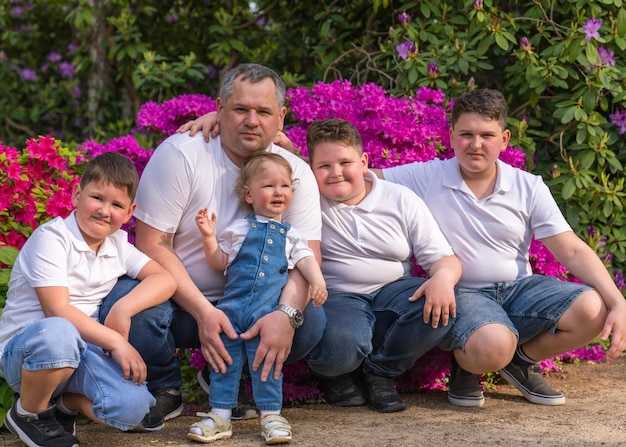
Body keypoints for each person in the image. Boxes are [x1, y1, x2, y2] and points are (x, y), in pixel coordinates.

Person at [102, 63, 326, 431]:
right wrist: (205, 312)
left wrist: (285, 314)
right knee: (131, 306)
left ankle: (226, 377)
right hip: (181, 302)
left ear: (281, 117)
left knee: (309, 320)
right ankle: (166, 386)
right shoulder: (182, 154)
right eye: (240, 109)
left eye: (264, 111)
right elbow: (152, 244)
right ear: (219, 109)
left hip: (257, 302)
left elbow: (306, 256)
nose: (252, 120)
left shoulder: (294, 173)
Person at [379, 88, 626, 407]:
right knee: (493, 345)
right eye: (466, 134)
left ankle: (519, 361)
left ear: (505, 139)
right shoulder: (426, 176)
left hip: (520, 290)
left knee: (595, 308)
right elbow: (360, 178)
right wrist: (295, 164)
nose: (476, 144)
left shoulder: (527, 186)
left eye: (487, 135)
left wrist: (618, 300)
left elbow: (571, 250)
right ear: (452, 136)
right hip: (463, 296)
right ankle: (468, 361)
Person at [0, 152, 177, 447]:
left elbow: (165, 279)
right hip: (30, 356)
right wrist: (117, 340)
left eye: (117, 205)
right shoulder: (52, 238)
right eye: (97, 198)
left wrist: (123, 308)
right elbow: (57, 309)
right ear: (76, 194)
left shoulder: (118, 245)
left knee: (135, 409)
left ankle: (65, 405)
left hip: (82, 354)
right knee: (60, 330)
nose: (105, 211)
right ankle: (29, 413)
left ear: (129, 212)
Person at [302, 118, 461, 413]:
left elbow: (443, 258)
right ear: (310, 170)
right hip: (339, 297)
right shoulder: (307, 201)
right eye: (324, 166)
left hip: (395, 295)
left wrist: (443, 279)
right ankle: (331, 374)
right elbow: (265, 151)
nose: (336, 173)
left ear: (363, 162)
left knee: (441, 303)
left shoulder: (400, 199)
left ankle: (380, 373)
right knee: (341, 346)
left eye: (345, 162)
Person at [188, 152, 327, 443]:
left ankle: (271, 415)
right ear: (249, 195)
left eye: (285, 186)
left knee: (266, 362)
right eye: (269, 186)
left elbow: (305, 260)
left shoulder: (291, 235)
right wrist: (208, 237)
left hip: (267, 314)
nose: (278, 192)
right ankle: (220, 415)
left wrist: (317, 281)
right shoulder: (238, 229)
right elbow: (219, 261)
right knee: (223, 361)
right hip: (230, 310)